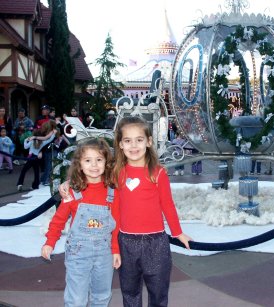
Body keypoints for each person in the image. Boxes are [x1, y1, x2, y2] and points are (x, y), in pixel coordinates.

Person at [111, 116, 190, 306]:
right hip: (126, 242)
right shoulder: (117, 173)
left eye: (139, 140)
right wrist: (115, 247)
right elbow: (114, 212)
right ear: (120, 145)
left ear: (149, 141)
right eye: (127, 141)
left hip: (156, 242)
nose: (134, 145)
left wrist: (178, 232)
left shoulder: (158, 172)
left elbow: (167, 204)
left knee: (158, 291)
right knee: (130, 292)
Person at [41, 138, 121, 307]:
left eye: (99, 159)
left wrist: (115, 250)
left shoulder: (113, 192)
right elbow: (59, 219)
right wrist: (50, 242)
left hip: (104, 254)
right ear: (80, 165)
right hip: (78, 254)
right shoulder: (72, 192)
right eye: (88, 160)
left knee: (101, 296)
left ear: (106, 162)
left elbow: (116, 224)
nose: (94, 165)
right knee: (76, 299)